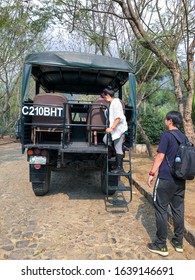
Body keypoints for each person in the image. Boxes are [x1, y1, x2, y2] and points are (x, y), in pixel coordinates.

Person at [147, 111, 186, 257]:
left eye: (166, 119)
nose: (165, 121)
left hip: (165, 178)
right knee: (178, 210)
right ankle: (178, 242)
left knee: (161, 209)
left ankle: (160, 245)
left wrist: (151, 173)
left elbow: (160, 156)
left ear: (170, 121)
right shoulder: (184, 138)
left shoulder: (166, 136)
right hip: (180, 180)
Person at [101, 86, 127, 174]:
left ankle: (120, 168)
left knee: (118, 148)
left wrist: (111, 128)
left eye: (104, 97)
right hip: (115, 130)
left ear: (107, 95)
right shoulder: (112, 104)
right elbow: (111, 115)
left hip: (118, 130)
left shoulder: (116, 103)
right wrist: (104, 110)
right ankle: (118, 161)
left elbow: (118, 117)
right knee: (106, 140)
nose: (104, 99)